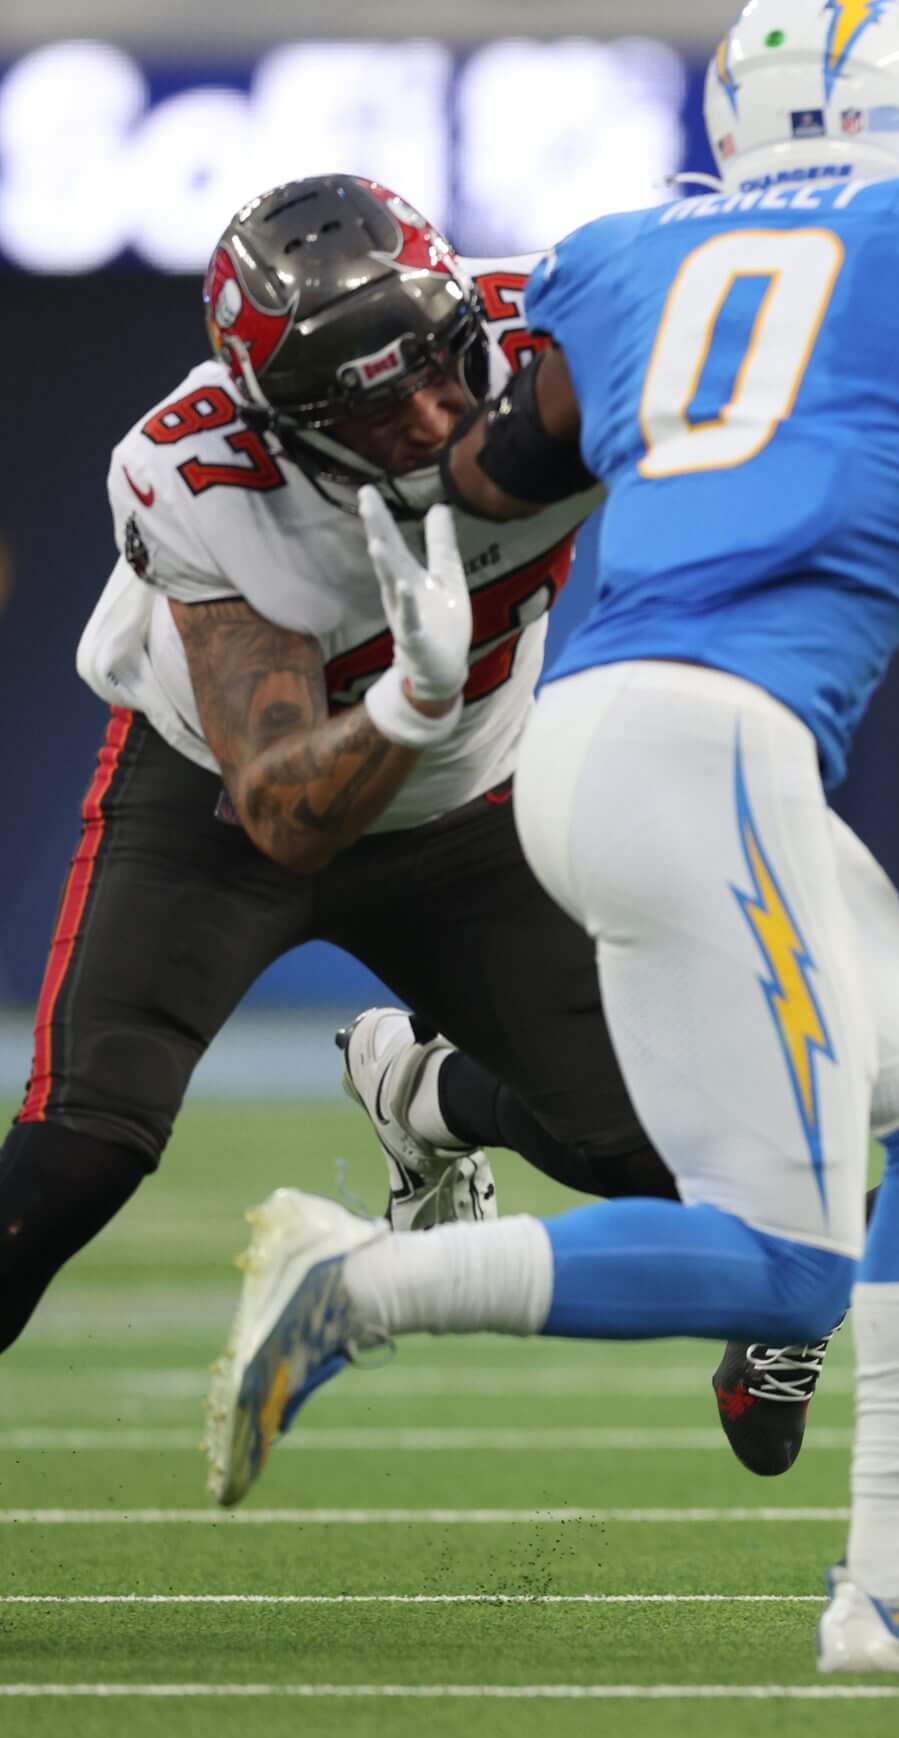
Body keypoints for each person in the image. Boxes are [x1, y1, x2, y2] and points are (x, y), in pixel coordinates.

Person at [205, 0, 899, 1675]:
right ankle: (353, 1279)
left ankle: (896, 1582)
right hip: (701, 749)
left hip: (602, 733)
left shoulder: (632, 250)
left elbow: (496, 469)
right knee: (785, 1264)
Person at [0, 171, 680, 1361]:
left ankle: (425, 1094)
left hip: (468, 811)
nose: (426, 420)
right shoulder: (201, 474)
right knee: (76, 1151)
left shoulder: (569, 339)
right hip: (212, 810)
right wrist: (410, 699)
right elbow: (281, 816)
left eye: (437, 368)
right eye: (370, 411)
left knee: (648, 1153)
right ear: (278, 420)